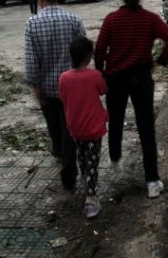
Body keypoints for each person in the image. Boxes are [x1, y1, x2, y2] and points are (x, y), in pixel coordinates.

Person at [94, 0, 168, 198]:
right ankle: (152, 181)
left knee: (115, 121)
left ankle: (115, 163)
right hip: (141, 77)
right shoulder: (150, 19)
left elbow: (100, 49)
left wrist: (101, 71)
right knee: (146, 127)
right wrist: (160, 61)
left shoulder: (112, 19)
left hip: (115, 78)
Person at [24, 0, 86, 190]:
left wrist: (35, 85)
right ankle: (68, 170)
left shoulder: (32, 23)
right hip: (72, 88)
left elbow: (32, 59)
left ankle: (61, 157)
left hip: (47, 89)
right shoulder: (73, 19)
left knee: (54, 127)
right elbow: (84, 51)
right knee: (68, 128)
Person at [59, 37, 108, 219]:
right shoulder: (94, 76)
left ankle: (85, 182)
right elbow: (103, 90)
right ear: (89, 56)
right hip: (93, 127)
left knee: (82, 157)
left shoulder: (64, 78)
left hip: (76, 128)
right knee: (93, 161)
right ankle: (91, 199)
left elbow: (63, 98)